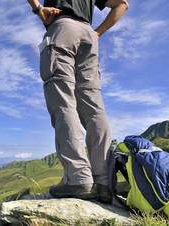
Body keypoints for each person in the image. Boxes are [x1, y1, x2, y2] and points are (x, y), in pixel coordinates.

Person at [26, 0, 129, 203]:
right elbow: (122, 4)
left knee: (64, 102)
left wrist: (38, 9)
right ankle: (103, 182)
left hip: (62, 29)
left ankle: (78, 177)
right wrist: (96, 33)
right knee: (94, 109)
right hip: (88, 34)